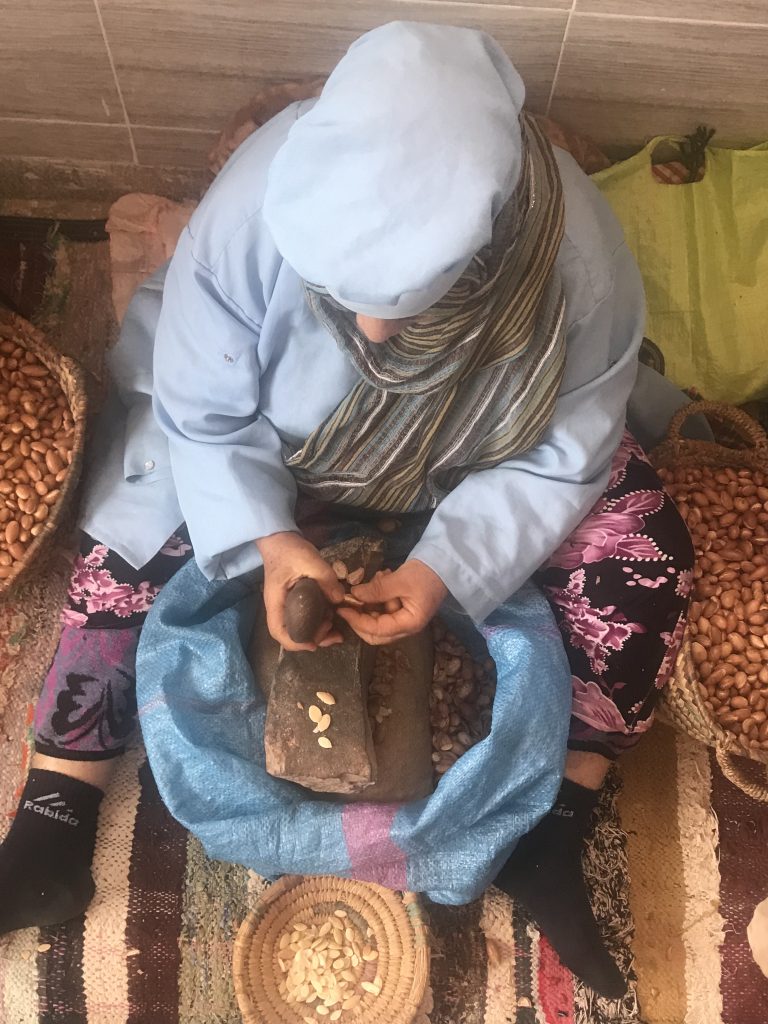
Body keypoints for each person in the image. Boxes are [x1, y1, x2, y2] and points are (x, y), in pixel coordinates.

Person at [0, 21, 693, 998]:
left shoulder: (578, 261)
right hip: (288, 446)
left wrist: (441, 567)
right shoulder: (253, 201)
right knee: (132, 516)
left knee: (644, 554)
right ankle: (54, 821)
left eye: (411, 309)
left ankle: (554, 829)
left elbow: (559, 455)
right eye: (346, 299)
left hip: (480, 451)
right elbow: (202, 407)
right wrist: (277, 545)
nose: (376, 334)